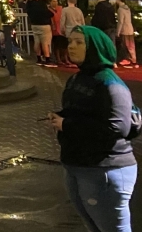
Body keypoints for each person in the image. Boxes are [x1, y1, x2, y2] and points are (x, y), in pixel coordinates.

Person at [48, 26, 136, 232]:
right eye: (70, 41)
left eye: (79, 42)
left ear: (96, 47)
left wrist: (66, 125)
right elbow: (80, 111)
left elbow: (116, 128)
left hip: (105, 169)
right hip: (78, 164)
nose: (71, 46)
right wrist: (61, 116)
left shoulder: (110, 84)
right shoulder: (77, 78)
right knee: (94, 227)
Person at [26, 0, 55, 66]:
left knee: (37, 41)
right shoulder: (40, 4)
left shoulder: (29, 4)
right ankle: (47, 59)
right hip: (44, 24)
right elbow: (48, 13)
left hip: (34, 25)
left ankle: (38, 58)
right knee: (45, 42)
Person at [115, 0, 137, 68]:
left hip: (124, 30)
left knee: (125, 45)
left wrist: (118, 31)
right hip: (130, 28)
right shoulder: (127, 8)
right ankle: (133, 59)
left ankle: (127, 60)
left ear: (119, 0)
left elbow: (120, 21)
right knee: (131, 45)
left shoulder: (120, 10)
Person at [51, 0, 70, 67]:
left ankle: (65, 58)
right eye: (53, 1)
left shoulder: (61, 9)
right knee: (56, 45)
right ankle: (58, 59)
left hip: (61, 29)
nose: (55, 3)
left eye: (56, 1)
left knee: (64, 45)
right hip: (54, 29)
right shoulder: (49, 10)